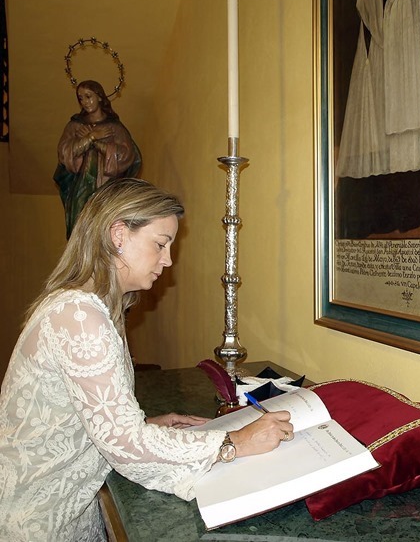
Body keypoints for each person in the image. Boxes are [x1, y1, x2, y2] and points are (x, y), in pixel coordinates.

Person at [0, 178, 294, 541]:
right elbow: (126, 444)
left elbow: (87, 417)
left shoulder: (93, 305)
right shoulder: (79, 316)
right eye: (160, 244)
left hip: (66, 502)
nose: (168, 260)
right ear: (118, 234)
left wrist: (147, 424)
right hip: (38, 518)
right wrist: (235, 441)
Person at [54, 80, 143, 239]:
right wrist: (91, 137)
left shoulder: (114, 128)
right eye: (81, 98)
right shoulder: (75, 126)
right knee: (79, 229)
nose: (85, 102)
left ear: (100, 97)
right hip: (81, 186)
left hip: (105, 186)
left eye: (88, 96)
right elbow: (64, 153)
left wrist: (97, 143)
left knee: (102, 228)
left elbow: (127, 155)